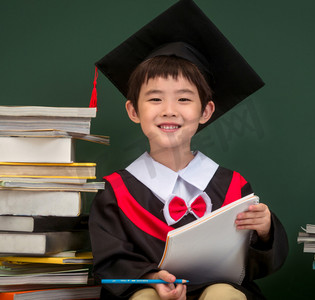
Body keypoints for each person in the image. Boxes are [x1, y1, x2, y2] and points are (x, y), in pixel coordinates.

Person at [89, 1, 289, 299]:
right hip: (150, 290)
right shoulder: (115, 194)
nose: (169, 111)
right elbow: (110, 263)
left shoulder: (233, 187)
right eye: (155, 100)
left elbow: (251, 264)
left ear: (206, 111)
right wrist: (152, 278)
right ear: (133, 110)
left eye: (184, 99)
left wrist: (265, 230)